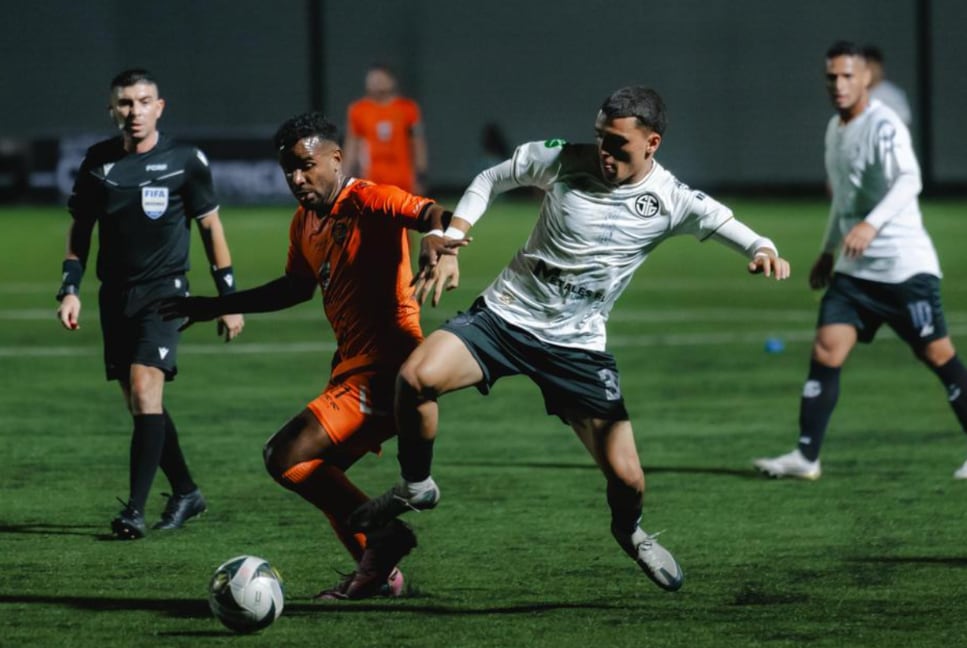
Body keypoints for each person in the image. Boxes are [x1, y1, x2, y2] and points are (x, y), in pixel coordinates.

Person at [349, 85, 792, 592]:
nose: (604, 152)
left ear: (652, 144)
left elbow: (730, 225)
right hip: (505, 317)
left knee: (628, 481)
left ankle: (629, 532)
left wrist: (763, 248)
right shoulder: (563, 159)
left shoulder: (671, 201)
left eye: (618, 145)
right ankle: (416, 485)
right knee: (415, 377)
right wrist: (451, 241)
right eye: (600, 138)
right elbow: (493, 178)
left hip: (576, 347)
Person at [159, 112, 457, 599]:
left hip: (388, 368)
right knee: (315, 473)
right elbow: (295, 287)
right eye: (288, 171)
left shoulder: (369, 199)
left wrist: (439, 242)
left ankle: (382, 541)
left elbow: (431, 213)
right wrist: (216, 304)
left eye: (307, 165)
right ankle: (378, 574)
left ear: (336, 158)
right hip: (352, 368)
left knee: (284, 455)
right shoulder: (305, 223)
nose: (297, 179)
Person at [754, 41, 967, 481]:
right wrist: (827, 250)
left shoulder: (883, 124)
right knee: (826, 351)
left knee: (937, 353)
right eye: (831, 76)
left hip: (903, 268)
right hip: (854, 272)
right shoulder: (835, 128)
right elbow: (844, 201)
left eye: (848, 75)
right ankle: (806, 457)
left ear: (866, 77)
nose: (838, 84)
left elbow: (910, 179)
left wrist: (871, 226)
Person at [55, 69, 245, 539]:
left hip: (166, 293)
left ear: (159, 107)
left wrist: (229, 299)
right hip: (114, 296)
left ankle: (134, 512)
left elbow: (210, 228)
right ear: (112, 110)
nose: (134, 111)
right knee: (143, 405)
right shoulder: (98, 162)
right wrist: (70, 288)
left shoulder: (186, 161)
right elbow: (81, 231)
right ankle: (186, 491)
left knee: (144, 392)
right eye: (125, 103)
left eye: (143, 101)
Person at [343, 64, 428, 194]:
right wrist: (345, 175)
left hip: (403, 179)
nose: (376, 82)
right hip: (371, 179)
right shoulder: (358, 110)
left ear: (391, 81)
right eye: (373, 79)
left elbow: (417, 143)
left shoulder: (407, 108)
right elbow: (352, 145)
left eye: (380, 78)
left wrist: (421, 174)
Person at [862, 44, 913, 128]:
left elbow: (904, 118)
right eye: (866, 67)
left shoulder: (891, 93)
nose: (870, 71)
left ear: (880, 68)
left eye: (872, 67)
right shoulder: (859, 93)